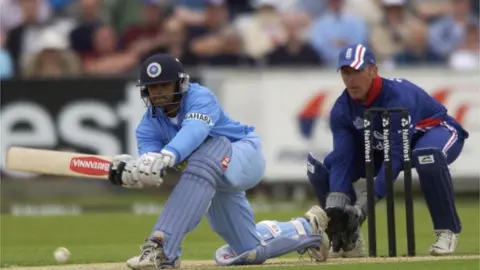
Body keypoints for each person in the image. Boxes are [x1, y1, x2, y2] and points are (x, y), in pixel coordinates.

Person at [107, 53, 330, 269]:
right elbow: (151, 169)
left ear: (179, 83)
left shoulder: (200, 97)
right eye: (152, 87)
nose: (158, 92)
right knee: (249, 251)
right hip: (211, 178)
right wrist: (133, 172)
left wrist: (166, 155)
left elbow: (195, 132)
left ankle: (163, 248)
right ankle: (307, 227)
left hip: (242, 155)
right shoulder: (147, 126)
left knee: (206, 151)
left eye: (164, 85)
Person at [307, 43, 468, 258]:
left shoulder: (398, 98)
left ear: (374, 70)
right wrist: (337, 206)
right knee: (326, 166)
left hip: (435, 131)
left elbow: (395, 158)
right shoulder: (341, 109)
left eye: (357, 71)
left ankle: (447, 230)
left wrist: (363, 207)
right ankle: (348, 238)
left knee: (427, 157)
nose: (350, 79)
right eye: (345, 72)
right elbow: (343, 159)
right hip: (387, 145)